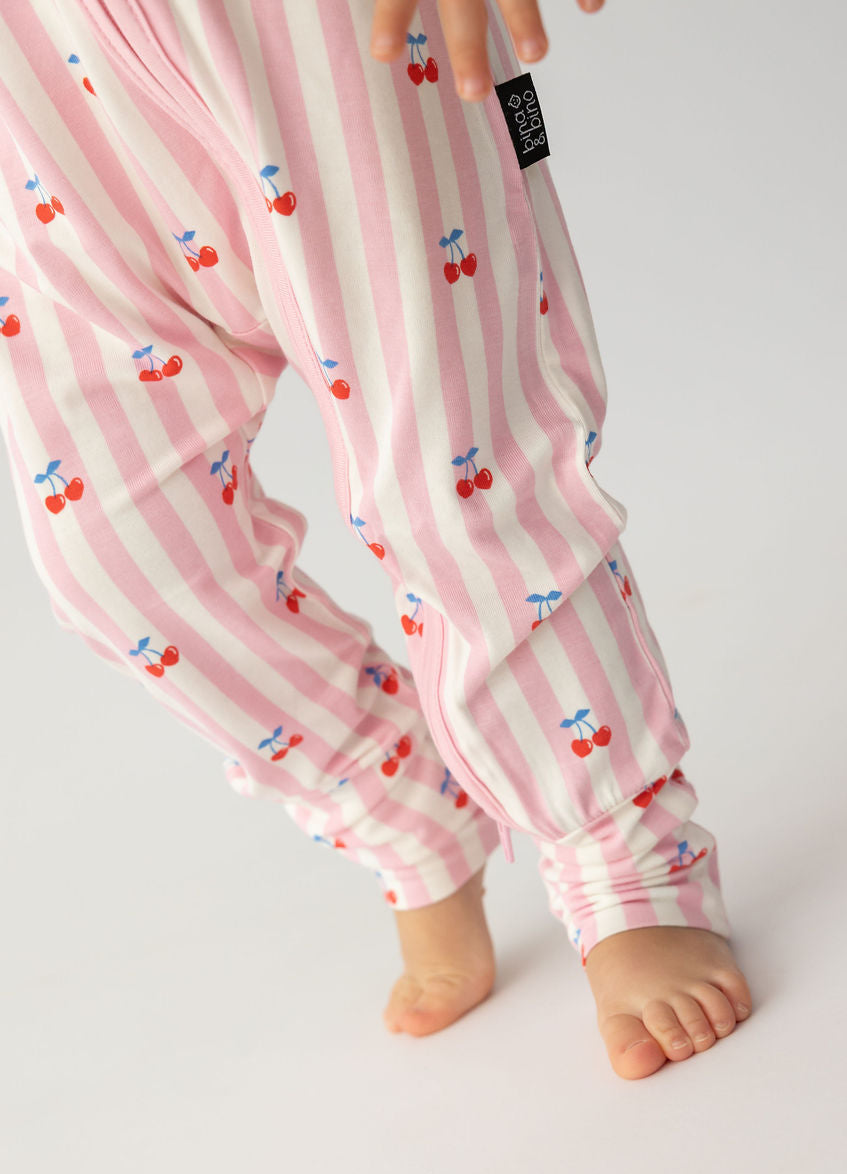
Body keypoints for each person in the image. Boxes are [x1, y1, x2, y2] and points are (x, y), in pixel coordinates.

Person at [0, 0, 751, 1081]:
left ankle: (623, 857)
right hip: (48, 107)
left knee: (458, 473)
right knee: (115, 562)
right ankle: (405, 801)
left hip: (324, 45)